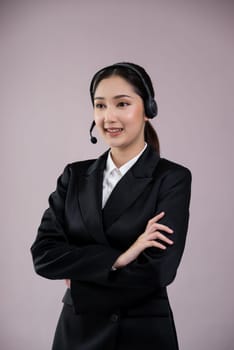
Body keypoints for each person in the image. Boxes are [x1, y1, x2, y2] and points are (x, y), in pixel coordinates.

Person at [31, 62, 192, 350]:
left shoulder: (171, 178)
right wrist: (121, 257)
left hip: (141, 333)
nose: (109, 117)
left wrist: (80, 279)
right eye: (100, 105)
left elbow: (158, 272)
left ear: (148, 110)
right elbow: (43, 255)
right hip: (77, 333)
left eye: (122, 104)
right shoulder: (74, 176)